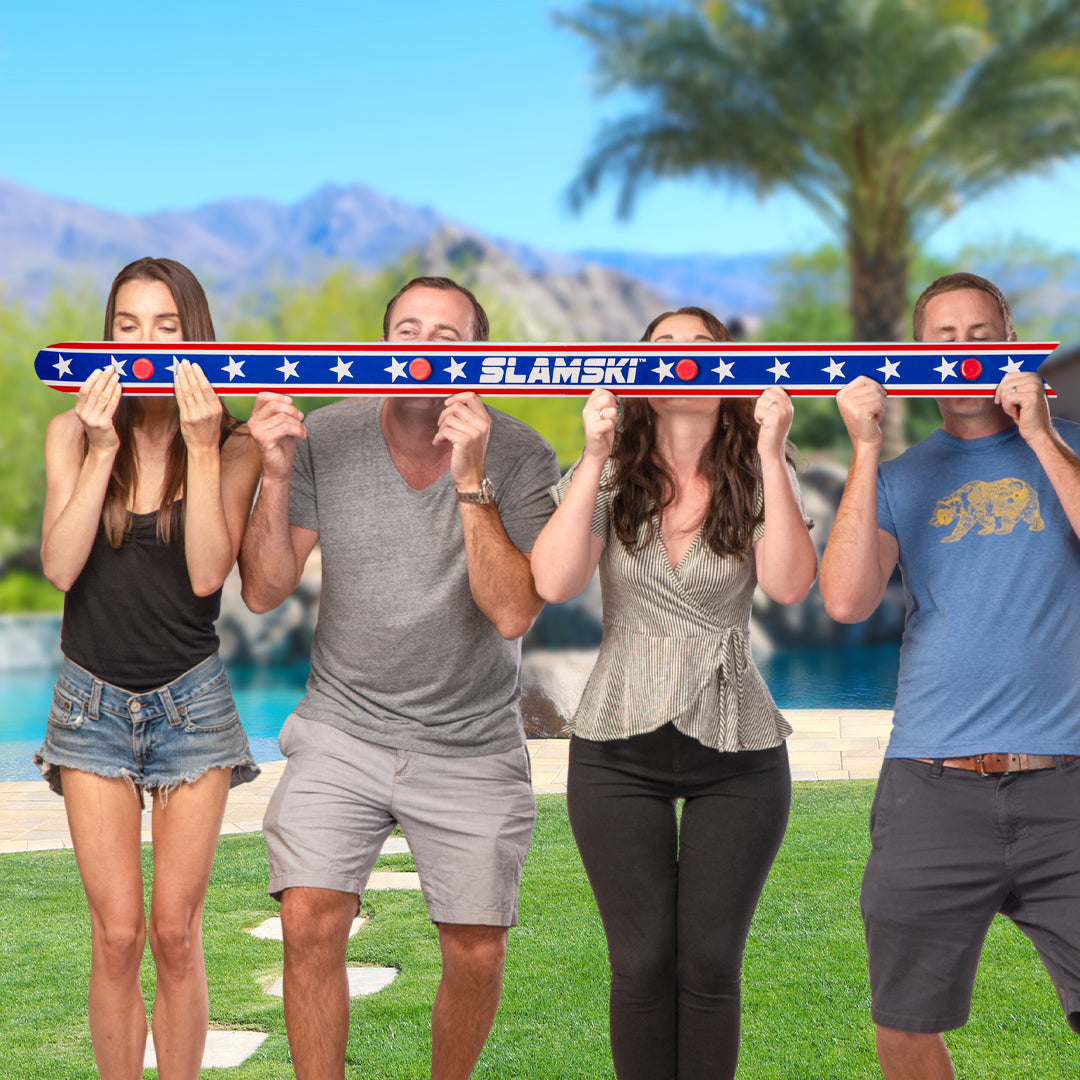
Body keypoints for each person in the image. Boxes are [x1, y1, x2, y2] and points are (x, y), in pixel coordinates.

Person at [238, 275, 560, 1080]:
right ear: (381, 345)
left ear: (478, 357)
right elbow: (265, 588)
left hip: (471, 741)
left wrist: (469, 477)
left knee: (477, 949)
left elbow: (514, 612)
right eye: (406, 329)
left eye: (446, 337)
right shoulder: (330, 436)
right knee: (310, 915)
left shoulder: (519, 453)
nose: (420, 347)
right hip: (343, 726)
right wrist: (274, 472)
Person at [530, 307, 817, 1080]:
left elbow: (791, 585)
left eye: (701, 347)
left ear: (730, 371)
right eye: (662, 348)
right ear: (637, 375)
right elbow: (553, 582)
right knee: (643, 960)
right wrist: (590, 456)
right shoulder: (612, 473)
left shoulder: (762, 471)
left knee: (712, 965)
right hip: (619, 742)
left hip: (740, 746)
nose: (681, 360)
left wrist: (772, 446)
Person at [819, 272, 1080, 1079]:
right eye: (943, 339)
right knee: (904, 1021)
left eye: (980, 336)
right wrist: (864, 450)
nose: (963, 354)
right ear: (914, 357)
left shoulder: (1068, 442)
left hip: (1067, 784)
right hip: (930, 787)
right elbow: (846, 600)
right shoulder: (898, 478)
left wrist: (1040, 435)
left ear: (1009, 347)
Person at [35, 257, 262, 1080]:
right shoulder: (71, 432)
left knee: (175, 930)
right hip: (88, 701)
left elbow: (208, 574)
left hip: (191, 705)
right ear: (107, 337)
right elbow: (61, 568)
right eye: (128, 326)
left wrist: (202, 451)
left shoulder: (232, 446)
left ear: (194, 335)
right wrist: (99, 451)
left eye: (166, 326)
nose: (146, 342)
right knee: (117, 933)